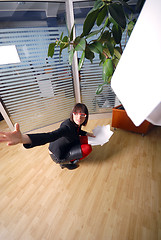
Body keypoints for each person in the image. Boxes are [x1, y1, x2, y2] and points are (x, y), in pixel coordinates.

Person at [0, 103, 95, 170]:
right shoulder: (67, 127)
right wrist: (23, 139)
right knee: (87, 149)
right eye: (76, 113)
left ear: (86, 117)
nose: (79, 117)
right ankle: (65, 163)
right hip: (58, 154)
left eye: (82, 115)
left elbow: (77, 131)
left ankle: (68, 160)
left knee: (86, 139)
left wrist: (87, 133)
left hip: (63, 144)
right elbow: (50, 136)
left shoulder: (75, 123)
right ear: (72, 114)